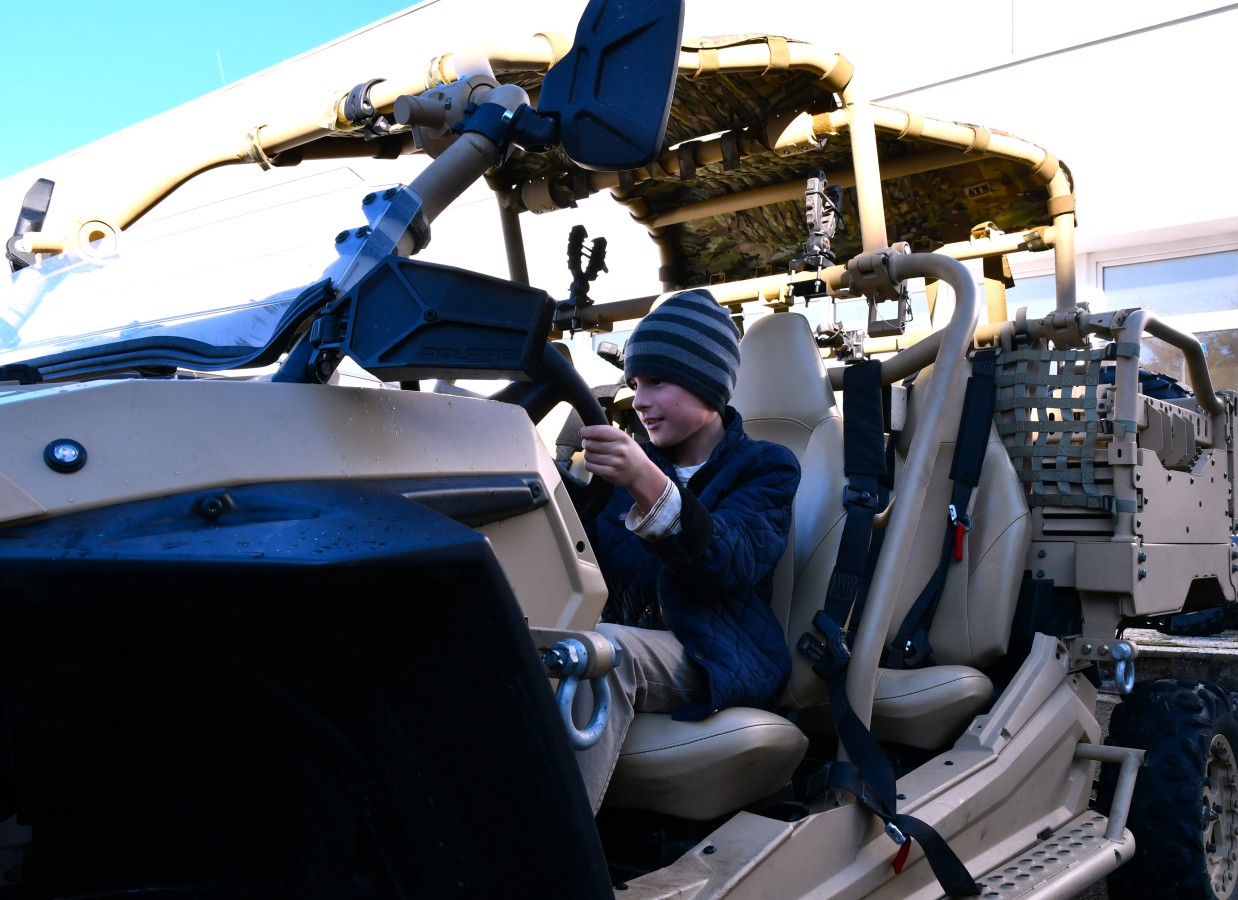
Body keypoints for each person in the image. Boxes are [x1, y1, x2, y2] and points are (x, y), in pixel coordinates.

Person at [568, 289, 800, 814]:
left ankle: (554, 843)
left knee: (601, 653)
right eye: (634, 384)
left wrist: (644, 481)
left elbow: (728, 563)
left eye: (657, 381)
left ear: (707, 383)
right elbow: (587, 561)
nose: (639, 400)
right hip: (639, 635)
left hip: (719, 652)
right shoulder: (626, 471)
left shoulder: (767, 467)